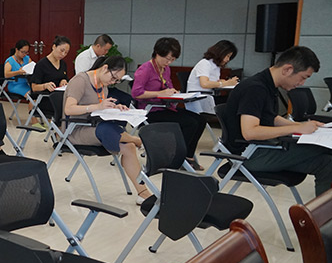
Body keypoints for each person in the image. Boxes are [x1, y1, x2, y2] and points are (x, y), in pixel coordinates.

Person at [224, 46, 332, 198]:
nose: (302, 83)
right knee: (324, 148)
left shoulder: (267, 84)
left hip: (263, 148)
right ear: (287, 69)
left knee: (327, 164)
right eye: (303, 77)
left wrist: (303, 126)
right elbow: (250, 132)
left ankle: (323, 212)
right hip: (249, 155)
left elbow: (271, 118)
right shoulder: (255, 88)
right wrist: (297, 128)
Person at [64, 56, 151, 204]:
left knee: (129, 147)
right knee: (107, 130)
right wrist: (97, 107)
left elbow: (100, 108)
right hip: (76, 129)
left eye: (117, 81)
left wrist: (115, 108)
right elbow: (69, 109)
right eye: (113, 78)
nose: (113, 82)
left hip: (95, 126)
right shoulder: (80, 81)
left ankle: (143, 193)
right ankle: (137, 140)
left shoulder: (102, 83)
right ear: (105, 68)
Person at [132, 37, 207, 168]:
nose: (169, 62)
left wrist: (174, 93)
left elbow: (168, 87)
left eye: (172, 60)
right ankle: (177, 159)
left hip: (165, 107)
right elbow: (136, 93)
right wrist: (159, 94)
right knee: (190, 123)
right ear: (157, 53)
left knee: (200, 120)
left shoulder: (166, 69)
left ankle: (187, 157)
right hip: (150, 110)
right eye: (167, 59)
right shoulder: (145, 69)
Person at [186, 40, 240, 114]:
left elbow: (213, 82)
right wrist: (226, 83)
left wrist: (223, 82)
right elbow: (204, 84)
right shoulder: (205, 63)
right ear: (220, 52)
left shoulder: (216, 66)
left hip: (207, 96)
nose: (228, 60)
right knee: (230, 104)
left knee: (233, 101)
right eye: (227, 56)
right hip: (199, 97)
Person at [28, 35, 71, 125]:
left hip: (59, 97)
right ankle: (62, 130)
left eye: (66, 53)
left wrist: (63, 81)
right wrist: (45, 85)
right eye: (61, 50)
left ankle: (64, 130)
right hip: (46, 98)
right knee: (68, 108)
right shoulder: (41, 65)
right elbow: (34, 87)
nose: (63, 54)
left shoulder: (63, 64)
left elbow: (64, 78)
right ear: (54, 47)